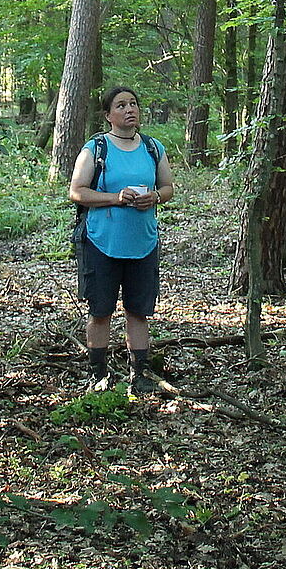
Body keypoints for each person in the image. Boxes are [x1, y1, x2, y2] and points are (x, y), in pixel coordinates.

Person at [67, 85, 176, 395]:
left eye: (133, 104)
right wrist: (115, 197)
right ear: (108, 115)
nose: (129, 109)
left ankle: (140, 373)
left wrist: (154, 196)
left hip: (143, 242)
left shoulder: (153, 148)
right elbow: (77, 191)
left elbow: (167, 187)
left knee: (138, 310)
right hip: (101, 242)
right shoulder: (96, 148)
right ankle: (97, 373)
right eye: (121, 105)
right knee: (100, 310)